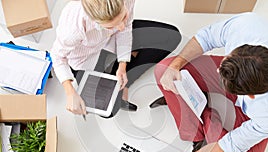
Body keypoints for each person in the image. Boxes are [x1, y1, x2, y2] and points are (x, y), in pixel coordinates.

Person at [147, 12, 268, 152]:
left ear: (249, 96)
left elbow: (232, 144)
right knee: (164, 70)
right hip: (247, 75)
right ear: (239, 51)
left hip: (257, 110)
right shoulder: (247, 26)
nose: (218, 72)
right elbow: (206, 37)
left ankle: (205, 113)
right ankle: (196, 136)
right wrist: (176, 65)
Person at [51, 0, 181, 116]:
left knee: (172, 36)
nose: (121, 27)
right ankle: (113, 76)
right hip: (85, 57)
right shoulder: (73, 26)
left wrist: (123, 65)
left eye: (123, 16)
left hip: (110, 40)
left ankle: (124, 78)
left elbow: (125, 30)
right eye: (110, 25)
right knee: (109, 109)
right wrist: (70, 92)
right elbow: (57, 57)